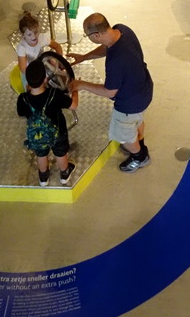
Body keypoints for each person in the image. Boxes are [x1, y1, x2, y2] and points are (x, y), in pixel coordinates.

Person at [68, 13, 153, 173]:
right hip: (145, 88)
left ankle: (140, 156)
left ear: (97, 35)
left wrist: (81, 85)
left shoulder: (116, 62)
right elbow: (106, 47)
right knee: (137, 121)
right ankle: (138, 142)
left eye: (88, 36)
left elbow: (109, 91)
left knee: (123, 135)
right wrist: (84, 57)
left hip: (129, 104)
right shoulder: (122, 30)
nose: (89, 38)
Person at [17, 57, 77, 186]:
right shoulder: (54, 94)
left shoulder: (23, 99)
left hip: (37, 135)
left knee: (41, 154)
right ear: (45, 79)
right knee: (60, 153)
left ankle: (43, 177)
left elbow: (21, 113)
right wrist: (75, 90)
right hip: (58, 132)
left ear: (28, 80)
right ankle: (64, 174)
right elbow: (73, 106)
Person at [15, 10, 62, 91]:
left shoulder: (42, 38)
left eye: (36, 32)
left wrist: (59, 61)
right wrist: (40, 80)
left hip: (43, 64)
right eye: (29, 34)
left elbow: (57, 47)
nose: (34, 37)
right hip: (30, 71)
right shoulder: (22, 47)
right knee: (31, 90)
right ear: (23, 35)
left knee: (57, 71)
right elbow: (23, 69)